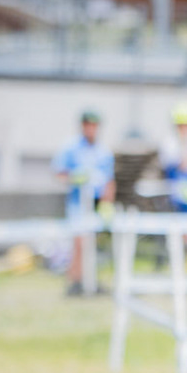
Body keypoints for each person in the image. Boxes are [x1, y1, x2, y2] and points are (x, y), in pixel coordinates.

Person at [53, 109, 114, 295]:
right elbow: (59, 173)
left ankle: (91, 281)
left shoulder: (103, 152)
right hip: (77, 204)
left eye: (94, 125)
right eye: (88, 125)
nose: (90, 129)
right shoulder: (71, 148)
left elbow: (109, 181)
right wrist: (73, 178)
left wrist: (107, 204)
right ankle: (75, 281)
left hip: (96, 204)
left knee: (92, 245)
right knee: (79, 243)